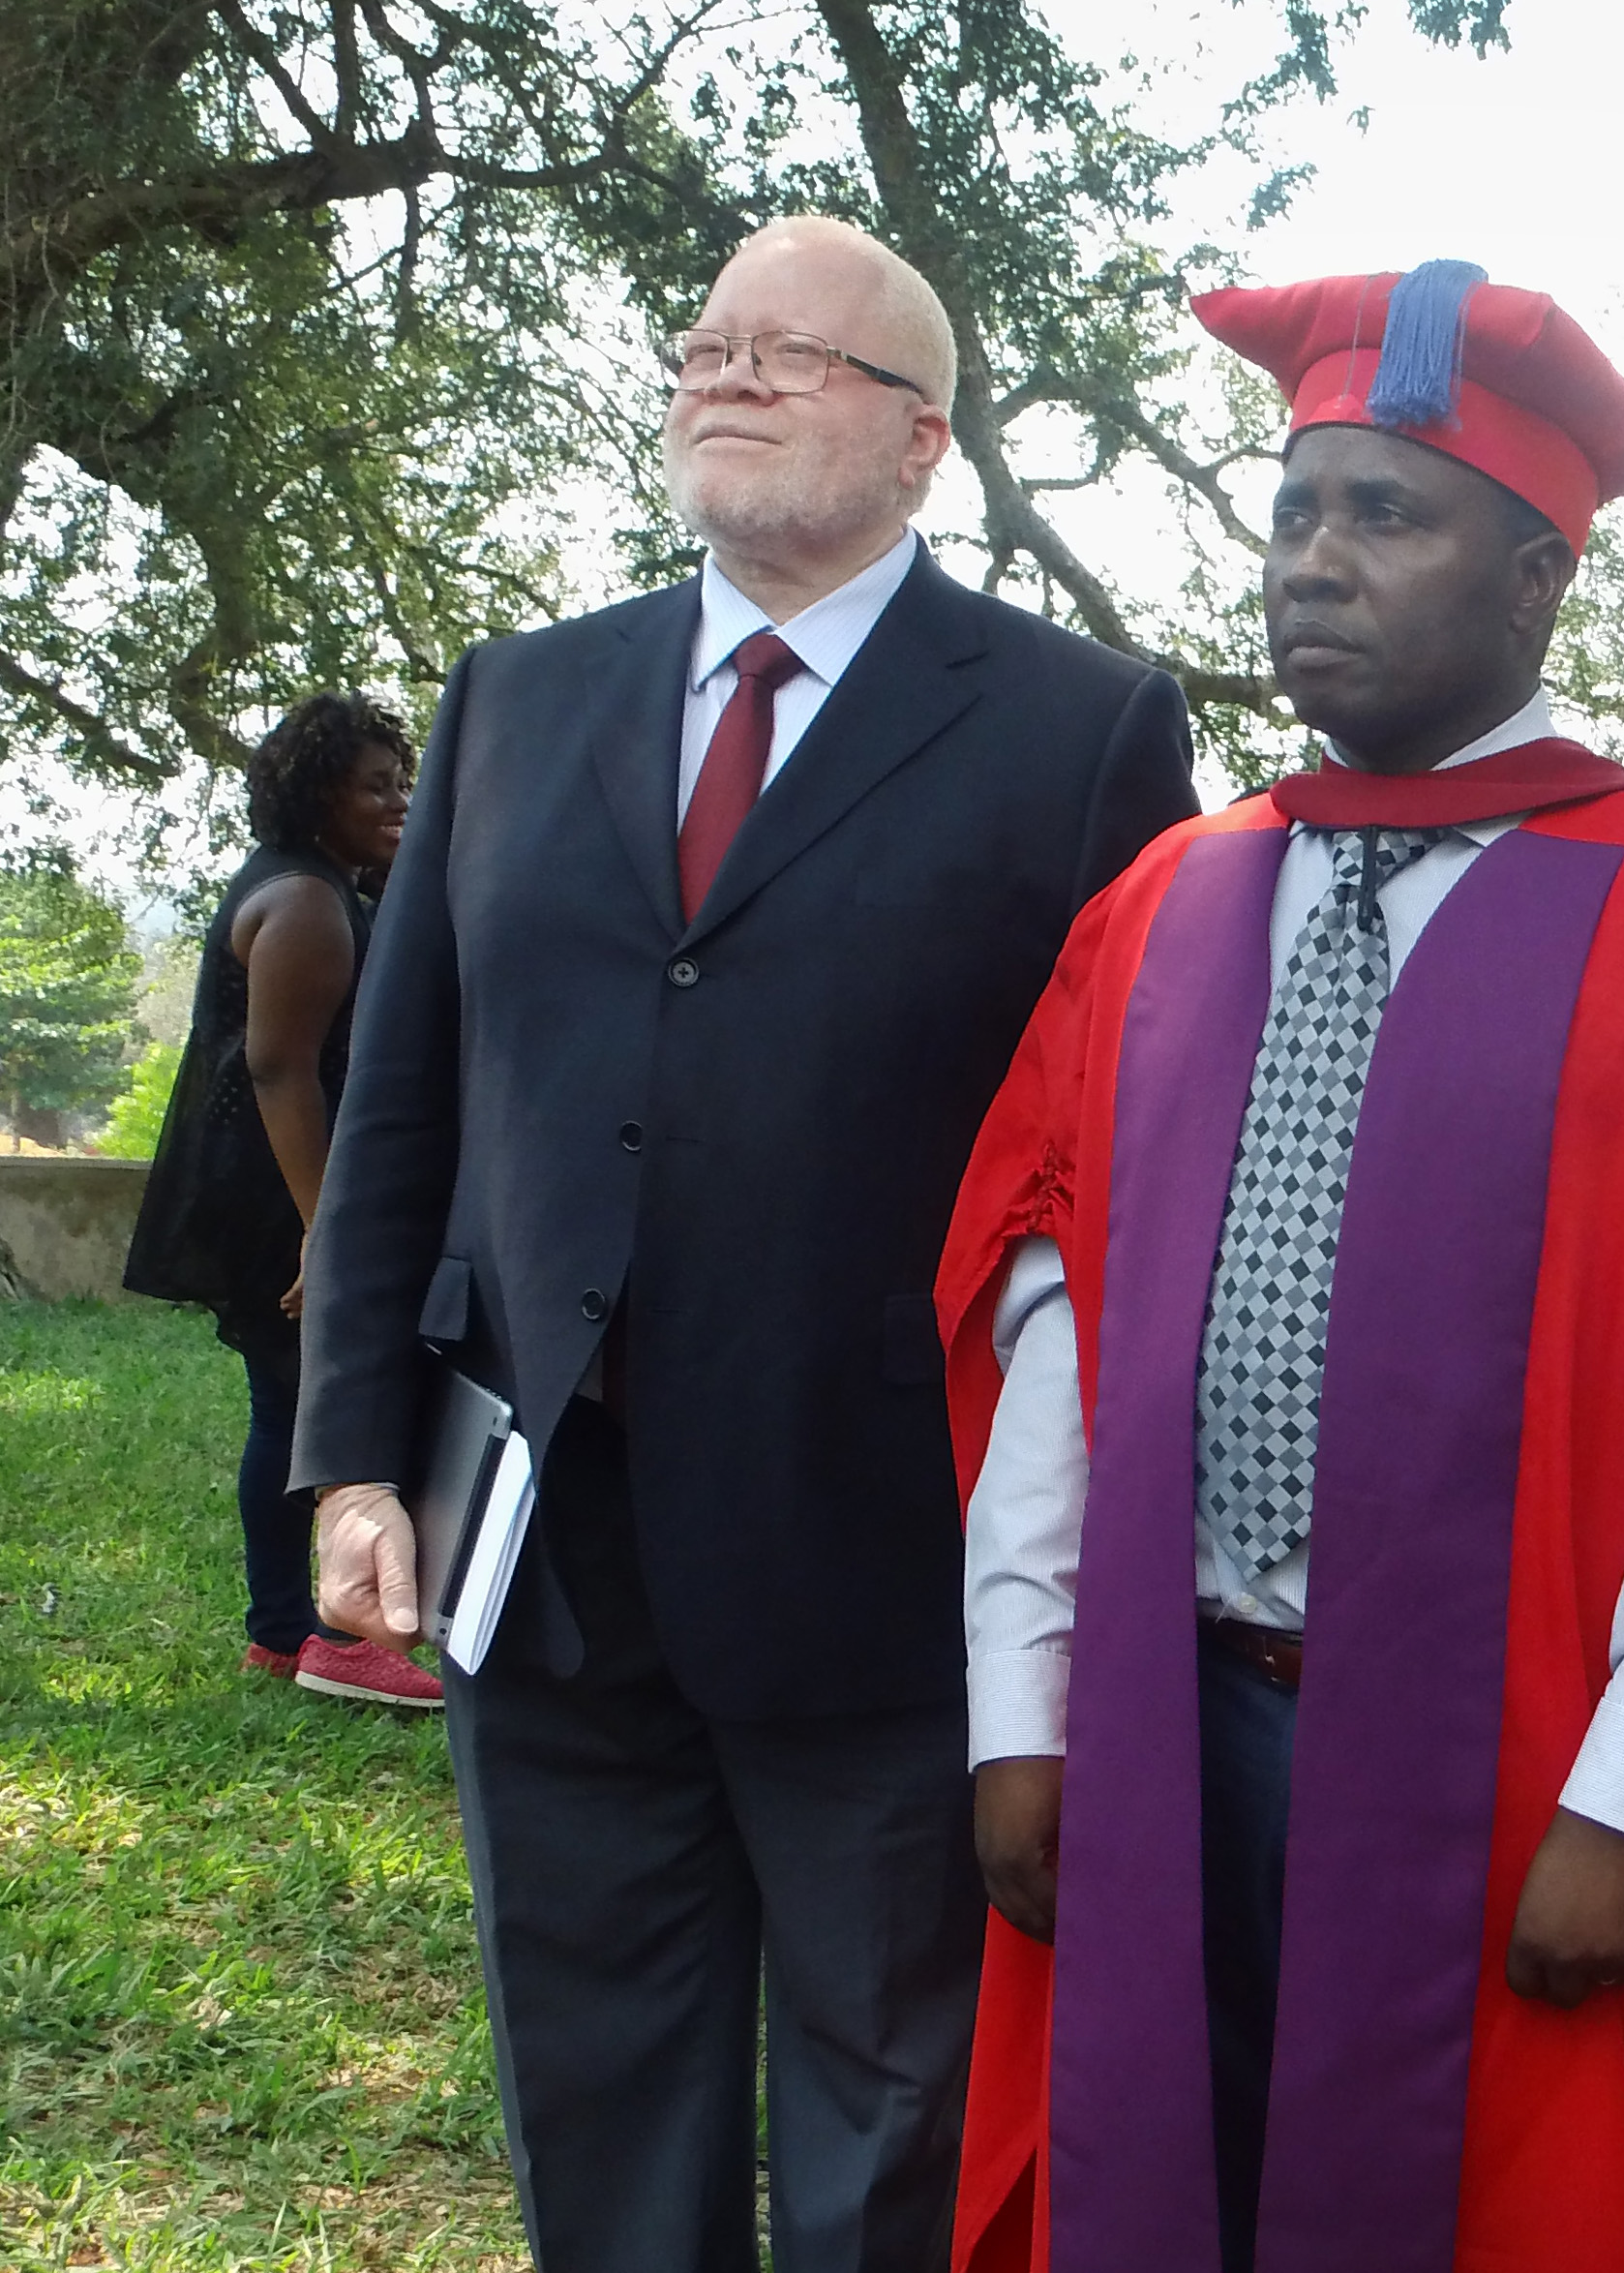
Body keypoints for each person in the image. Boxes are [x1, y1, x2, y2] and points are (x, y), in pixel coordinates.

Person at [941, 261, 1624, 2273]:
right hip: (1162, 1704)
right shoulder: (1170, 902)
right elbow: (1047, 1331)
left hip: (1513, 1741)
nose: (1315, 561)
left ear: (1537, 577)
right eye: (1295, 511)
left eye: (1387, 515)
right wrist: (1017, 1706)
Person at [293, 215, 1197, 2273]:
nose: (725, 371)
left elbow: (1121, 1169)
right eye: (704, 343)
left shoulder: (1080, 730)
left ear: (918, 441)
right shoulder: (518, 699)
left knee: (892, 2096)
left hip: (881, 1547)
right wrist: (353, 1448)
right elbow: (401, 1106)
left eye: (790, 353)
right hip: (541, 1536)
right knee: (594, 2067)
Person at [123, 693, 435, 1709]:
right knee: (302, 1406)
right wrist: (326, 1232)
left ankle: (286, 1628)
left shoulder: (340, 884)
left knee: (293, 1398)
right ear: (316, 795)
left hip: (292, 1184)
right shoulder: (303, 901)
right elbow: (278, 1071)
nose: (400, 798)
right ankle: (298, 1630)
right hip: (279, 1189)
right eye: (376, 783)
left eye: (404, 778)